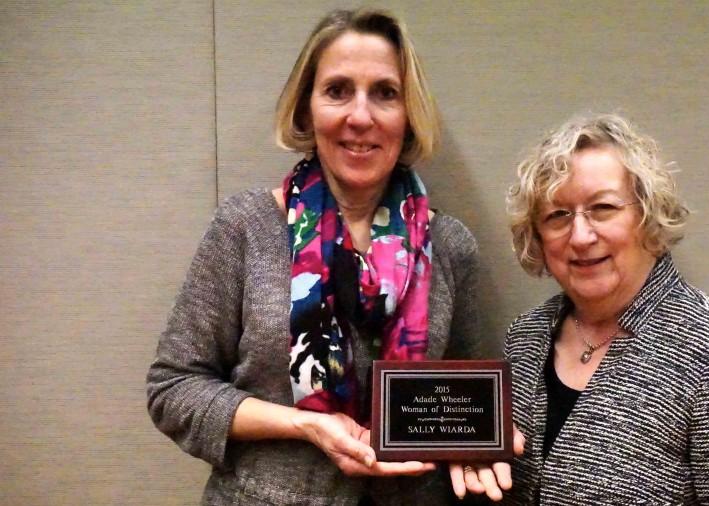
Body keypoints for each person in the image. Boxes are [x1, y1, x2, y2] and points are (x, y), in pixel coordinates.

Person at [147, 8, 481, 505]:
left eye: (385, 93)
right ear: (307, 110)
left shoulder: (450, 246)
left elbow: (464, 403)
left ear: (408, 114)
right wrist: (305, 424)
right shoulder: (247, 227)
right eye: (338, 90)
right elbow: (173, 388)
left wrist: (480, 445)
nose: (360, 116)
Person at [451, 113, 709, 503]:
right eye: (557, 216)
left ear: (647, 215)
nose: (580, 236)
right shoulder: (526, 337)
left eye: (602, 208)